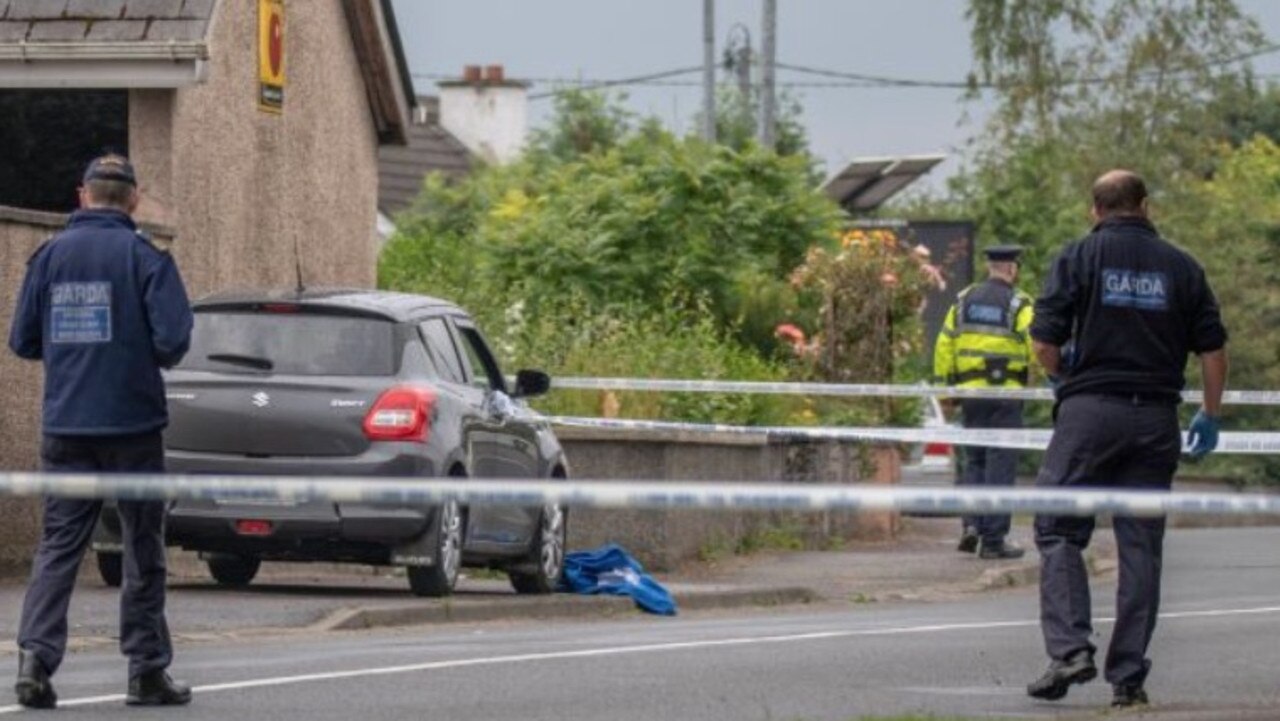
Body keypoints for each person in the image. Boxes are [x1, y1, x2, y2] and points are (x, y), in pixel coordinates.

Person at [1025, 170, 1228, 709]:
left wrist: (1062, 373)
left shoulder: (1078, 257)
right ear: (1146, 205)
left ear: (1095, 210)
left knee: (1058, 527)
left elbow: (1043, 340)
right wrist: (1209, 413)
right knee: (1141, 548)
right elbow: (1212, 350)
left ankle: (1071, 649)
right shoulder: (1183, 267)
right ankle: (1129, 677)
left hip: (1090, 414)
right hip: (1156, 421)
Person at [8, 155, 195, 709]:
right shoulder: (147, 260)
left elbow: (22, 341)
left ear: (82, 196)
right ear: (133, 200)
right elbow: (173, 342)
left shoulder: (48, 258)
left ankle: (35, 663)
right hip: (133, 428)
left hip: (65, 426)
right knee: (143, 545)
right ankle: (145, 670)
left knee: (59, 545)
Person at [933, 244, 1035, 560]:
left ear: (990, 267)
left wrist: (945, 393)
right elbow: (1036, 345)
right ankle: (993, 540)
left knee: (974, 462)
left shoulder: (963, 301)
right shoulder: (1020, 304)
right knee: (1000, 464)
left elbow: (943, 346)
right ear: (1013, 269)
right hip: (1006, 398)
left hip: (971, 397)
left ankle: (972, 527)